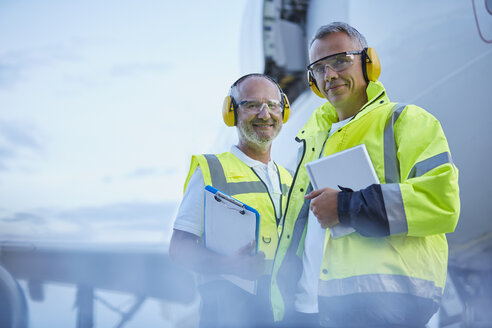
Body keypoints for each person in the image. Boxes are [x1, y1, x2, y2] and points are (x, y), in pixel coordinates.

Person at [274, 22, 460, 328]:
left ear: (368, 62)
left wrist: (346, 207)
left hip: (382, 306)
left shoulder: (406, 121)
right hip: (307, 310)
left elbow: (441, 203)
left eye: (340, 61)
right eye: (319, 68)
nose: (329, 74)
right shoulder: (311, 140)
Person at [169, 73, 295, 328]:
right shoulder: (210, 171)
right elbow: (179, 248)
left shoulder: (290, 180)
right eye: (252, 105)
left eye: (272, 105)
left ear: (284, 112)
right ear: (231, 112)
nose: (264, 113)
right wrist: (229, 265)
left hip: (285, 316)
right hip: (228, 317)